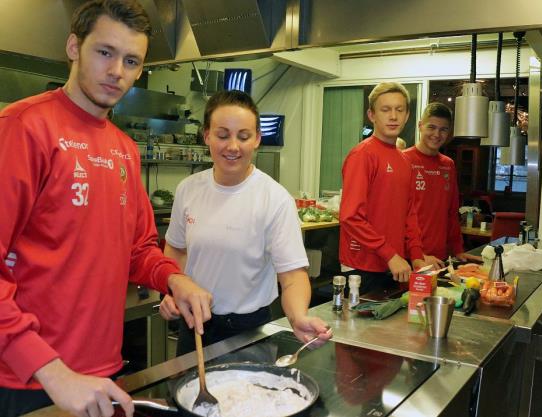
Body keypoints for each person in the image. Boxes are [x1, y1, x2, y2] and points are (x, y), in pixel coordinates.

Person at [0, 2, 214, 417]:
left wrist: (175, 279)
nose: (118, 70)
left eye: (131, 60)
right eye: (105, 52)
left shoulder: (123, 149)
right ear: (74, 47)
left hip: (101, 371)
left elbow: (137, 248)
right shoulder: (23, 128)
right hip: (31, 378)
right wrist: (49, 369)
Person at [158, 90, 332, 355]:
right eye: (222, 134)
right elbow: (176, 250)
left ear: (257, 140)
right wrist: (171, 291)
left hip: (248, 331)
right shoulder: (188, 189)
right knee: (188, 394)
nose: (233, 146)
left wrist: (298, 318)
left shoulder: (274, 199)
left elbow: (293, 276)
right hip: (193, 325)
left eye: (243, 136)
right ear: (207, 135)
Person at [338, 82, 428, 294]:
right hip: (362, 266)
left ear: (407, 115)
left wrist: (416, 255)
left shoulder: (404, 161)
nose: (393, 116)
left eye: (399, 110)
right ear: (372, 115)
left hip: (393, 265)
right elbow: (350, 216)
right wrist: (389, 254)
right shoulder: (362, 155)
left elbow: (409, 213)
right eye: (385, 110)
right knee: (358, 328)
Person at [403, 102, 479, 267]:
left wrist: (458, 250)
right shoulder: (403, 160)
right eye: (431, 127)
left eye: (443, 129)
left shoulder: (448, 165)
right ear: (420, 126)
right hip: (410, 259)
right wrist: (417, 255)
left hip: (440, 258)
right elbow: (394, 218)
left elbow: (451, 213)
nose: (437, 134)